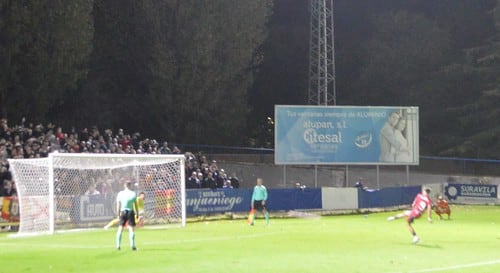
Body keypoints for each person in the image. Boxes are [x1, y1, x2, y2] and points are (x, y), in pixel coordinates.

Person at [115, 182, 139, 250]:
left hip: (123, 212)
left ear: (124, 185)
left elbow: (118, 205)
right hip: (130, 212)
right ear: (130, 186)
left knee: (120, 228)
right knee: (131, 229)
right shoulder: (133, 193)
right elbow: (136, 205)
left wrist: (118, 214)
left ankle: (118, 246)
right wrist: (137, 213)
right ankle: (132, 245)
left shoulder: (120, 193)